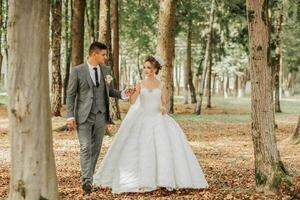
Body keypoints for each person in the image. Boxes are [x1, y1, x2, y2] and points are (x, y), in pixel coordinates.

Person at [93, 55, 208, 194]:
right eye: (144, 67)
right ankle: (139, 179)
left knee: (163, 148)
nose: (146, 70)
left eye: (149, 68)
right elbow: (133, 102)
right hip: (143, 118)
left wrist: (163, 107)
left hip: (158, 118)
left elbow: (163, 101)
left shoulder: (161, 84)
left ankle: (163, 180)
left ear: (155, 70)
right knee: (140, 146)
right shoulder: (140, 83)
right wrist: (133, 92)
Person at [66, 42, 135, 195]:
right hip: (83, 116)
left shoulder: (106, 70)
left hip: (101, 115)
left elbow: (109, 91)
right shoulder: (77, 71)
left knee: (95, 149)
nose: (105, 57)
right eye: (103, 54)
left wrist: (124, 93)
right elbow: (70, 95)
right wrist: (70, 116)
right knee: (85, 147)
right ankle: (86, 181)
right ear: (94, 54)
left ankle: (88, 178)